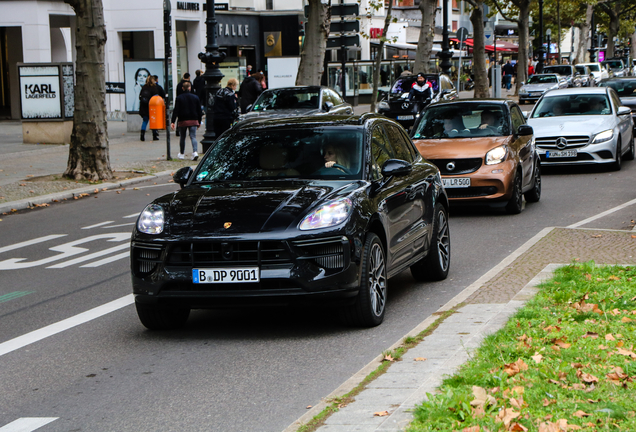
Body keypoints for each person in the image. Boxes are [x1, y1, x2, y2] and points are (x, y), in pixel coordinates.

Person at [171, 82, 203, 160]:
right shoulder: (195, 97)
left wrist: (173, 121)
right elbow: (199, 111)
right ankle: (195, 152)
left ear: (182, 88)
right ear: (190, 88)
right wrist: (199, 120)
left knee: (182, 137)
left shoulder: (179, 98)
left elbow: (176, 110)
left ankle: (182, 153)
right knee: (193, 136)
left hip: (183, 120)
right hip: (193, 119)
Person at [138, 75, 161, 141]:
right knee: (153, 121)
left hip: (144, 107)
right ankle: (154, 135)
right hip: (152, 107)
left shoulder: (144, 87)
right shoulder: (154, 88)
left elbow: (140, 97)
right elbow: (156, 97)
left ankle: (142, 135)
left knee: (145, 121)